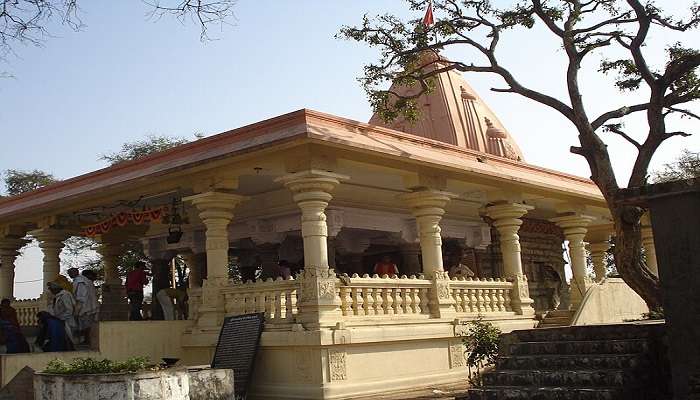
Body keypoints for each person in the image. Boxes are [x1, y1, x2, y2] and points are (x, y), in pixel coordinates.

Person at [68, 268, 99, 344]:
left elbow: (81, 296)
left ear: (75, 272)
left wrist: (78, 306)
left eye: (70, 273)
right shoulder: (85, 280)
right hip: (90, 305)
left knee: (85, 325)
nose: (69, 275)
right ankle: (86, 340)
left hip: (85, 305)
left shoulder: (80, 281)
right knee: (86, 324)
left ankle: (87, 340)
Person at [47, 281, 78, 346]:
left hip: (67, 320)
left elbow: (69, 310)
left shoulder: (65, 295)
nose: (51, 292)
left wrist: (60, 318)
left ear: (56, 289)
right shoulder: (57, 296)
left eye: (52, 290)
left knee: (70, 339)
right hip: (61, 320)